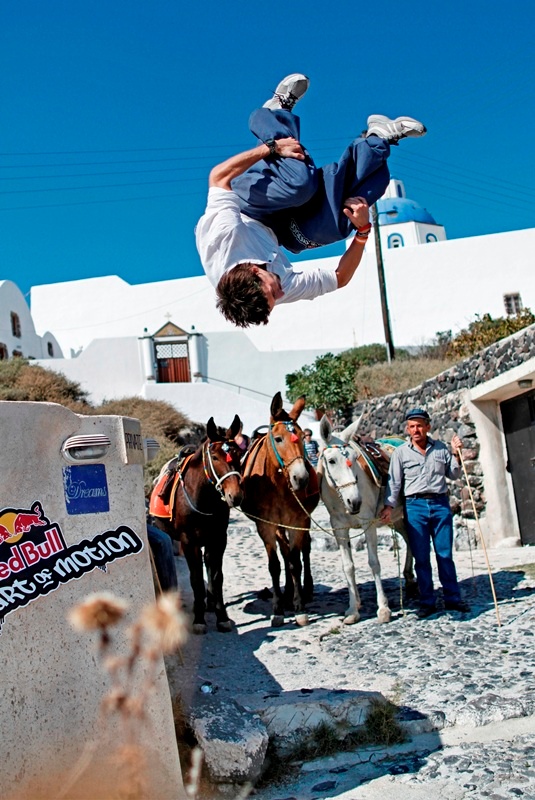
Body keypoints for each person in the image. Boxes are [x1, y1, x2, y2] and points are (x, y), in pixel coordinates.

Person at [195, 73, 426, 328]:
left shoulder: (221, 240)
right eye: (275, 300)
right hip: (279, 231)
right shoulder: (277, 287)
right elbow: (341, 278)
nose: (281, 294)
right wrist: (362, 232)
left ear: (255, 272)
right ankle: (378, 138)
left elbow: (218, 178)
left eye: (273, 293)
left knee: (300, 185)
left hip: (249, 204)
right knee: (341, 221)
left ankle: (274, 114)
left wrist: (271, 148)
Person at [379, 408, 469, 618]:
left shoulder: (440, 449)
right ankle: (427, 601)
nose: (416, 430)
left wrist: (456, 453)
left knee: (445, 554)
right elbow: (394, 482)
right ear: (408, 430)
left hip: (440, 505)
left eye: (420, 425)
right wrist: (389, 507)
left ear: (428, 427)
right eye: (412, 426)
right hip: (415, 507)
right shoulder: (401, 453)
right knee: (421, 558)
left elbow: (454, 474)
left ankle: (452, 599)